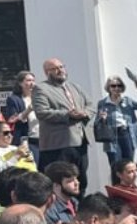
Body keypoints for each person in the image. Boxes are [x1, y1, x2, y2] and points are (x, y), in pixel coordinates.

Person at [33, 58, 95, 188]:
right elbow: (42, 112)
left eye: (61, 67)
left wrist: (85, 113)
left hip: (81, 142)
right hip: (59, 145)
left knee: (81, 181)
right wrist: (68, 115)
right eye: (55, 68)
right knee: (61, 182)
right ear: (46, 72)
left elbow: (90, 104)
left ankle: (79, 207)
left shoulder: (74, 87)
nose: (60, 70)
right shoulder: (41, 88)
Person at [0, 69, 38, 148]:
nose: (32, 83)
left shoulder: (39, 97)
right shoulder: (14, 99)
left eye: (33, 80)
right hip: (28, 139)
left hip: (44, 137)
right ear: (20, 83)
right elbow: (12, 119)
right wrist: (28, 110)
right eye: (28, 80)